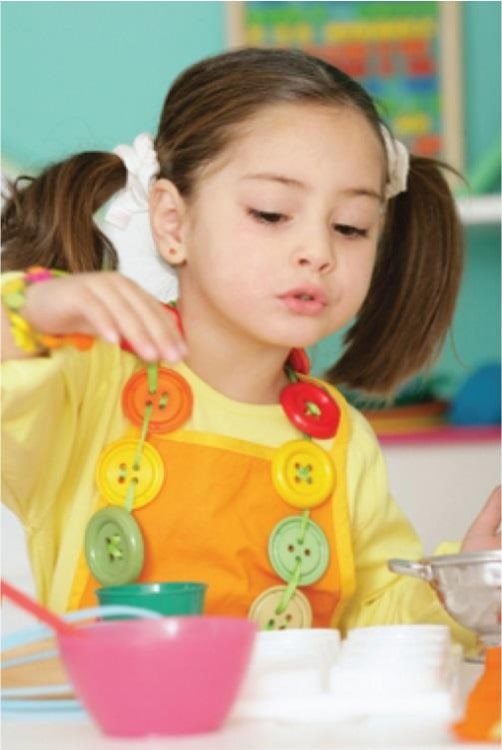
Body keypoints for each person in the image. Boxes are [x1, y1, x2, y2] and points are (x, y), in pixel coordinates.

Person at [1, 48, 499, 647]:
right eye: (271, 213)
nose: (318, 250)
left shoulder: (339, 440)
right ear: (173, 223)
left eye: (349, 226)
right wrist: (35, 307)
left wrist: (463, 585)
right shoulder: (86, 383)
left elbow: (371, 618)